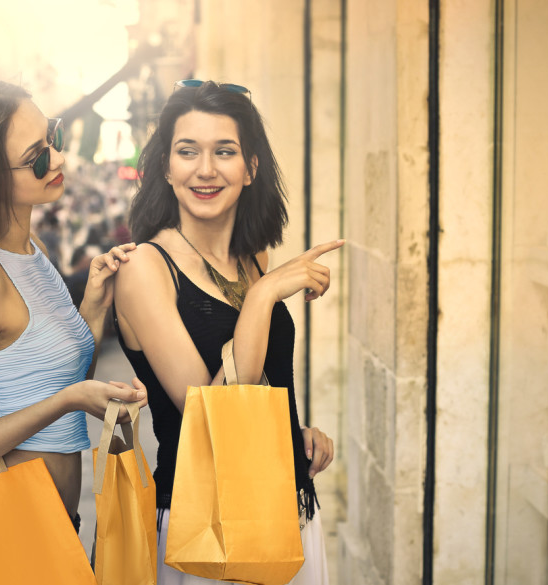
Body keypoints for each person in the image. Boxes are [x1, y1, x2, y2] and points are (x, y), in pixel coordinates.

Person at [112, 80, 342, 584]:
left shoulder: (253, 258)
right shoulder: (146, 268)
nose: (206, 169)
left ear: (251, 167)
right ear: (166, 168)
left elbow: (263, 387)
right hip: (204, 531)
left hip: (287, 511)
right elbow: (209, 414)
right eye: (187, 151)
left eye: (225, 151)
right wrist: (262, 299)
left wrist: (292, 433)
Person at [0, 80, 145, 533]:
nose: (60, 159)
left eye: (55, 137)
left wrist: (93, 305)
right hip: (13, 527)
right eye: (37, 157)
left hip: (60, 523)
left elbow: (63, 382)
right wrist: (70, 400)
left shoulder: (35, 250)